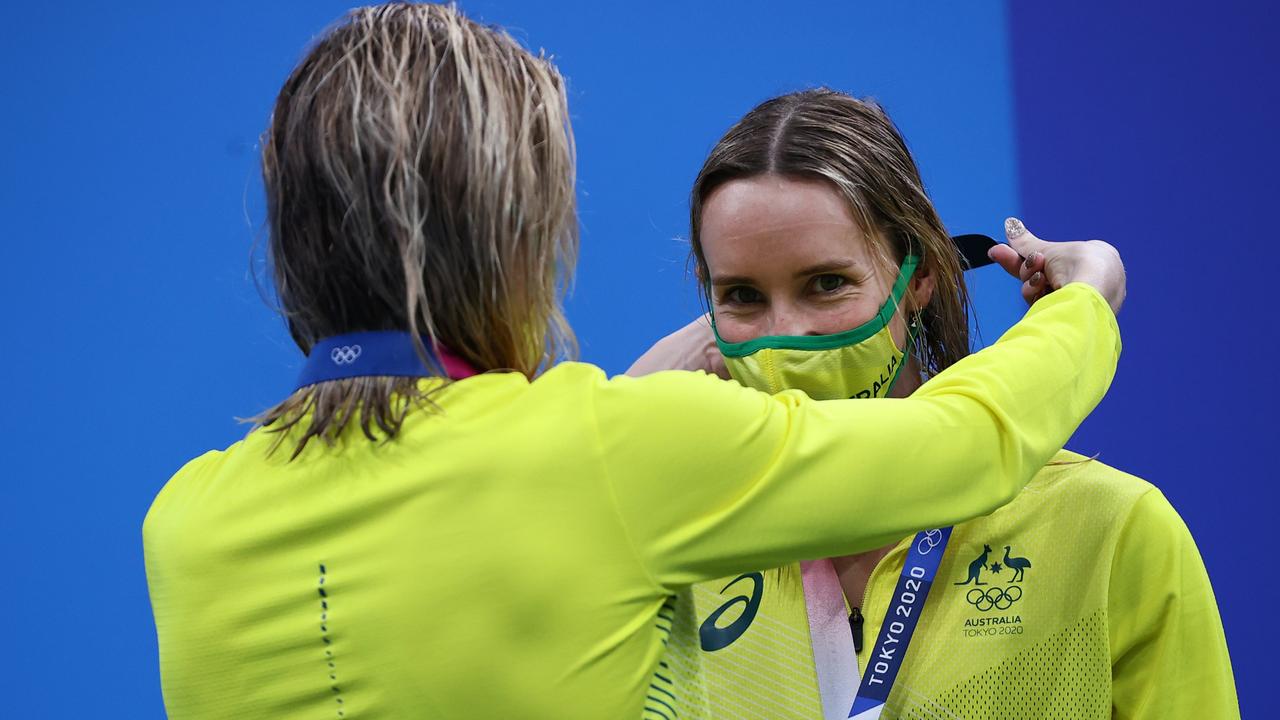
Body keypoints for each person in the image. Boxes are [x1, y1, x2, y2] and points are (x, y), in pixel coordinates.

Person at [142, 6, 1128, 719]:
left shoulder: (184, 523)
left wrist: (617, 407)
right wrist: (1081, 303)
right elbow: (964, 445)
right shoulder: (611, 455)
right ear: (516, 243)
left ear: (290, 240)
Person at [631, 89, 1236, 720]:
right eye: (743, 296)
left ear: (918, 279)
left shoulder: (1111, 529)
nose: (788, 335)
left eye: (828, 283)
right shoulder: (675, 541)